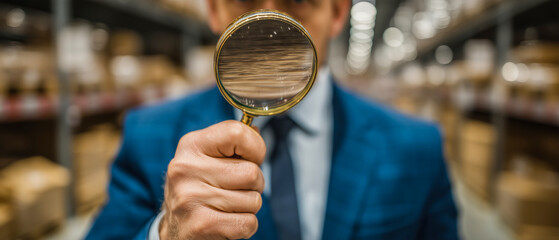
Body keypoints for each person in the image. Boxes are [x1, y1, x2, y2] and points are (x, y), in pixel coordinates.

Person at [86, 0, 459, 239]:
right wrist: (165, 232)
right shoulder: (147, 133)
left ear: (338, 12)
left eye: (297, 0)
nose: (270, 21)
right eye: (245, 0)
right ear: (213, 10)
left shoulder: (418, 147)